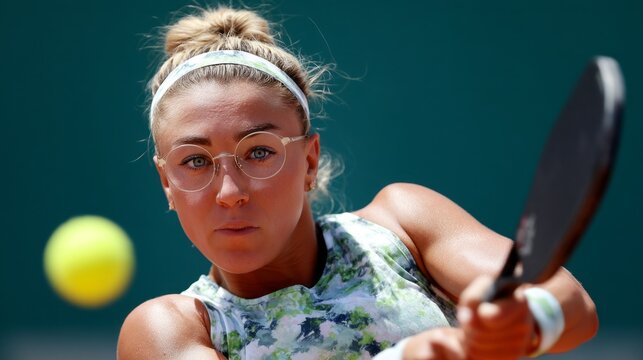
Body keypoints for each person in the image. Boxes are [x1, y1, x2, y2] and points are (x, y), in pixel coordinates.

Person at [117, 5, 598, 360]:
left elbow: (570, 302)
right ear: (166, 181)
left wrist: (524, 320)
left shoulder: (402, 222)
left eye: (259, 152)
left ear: (309, 160)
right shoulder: (166, 331)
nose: (230, 191)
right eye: (196, 162)